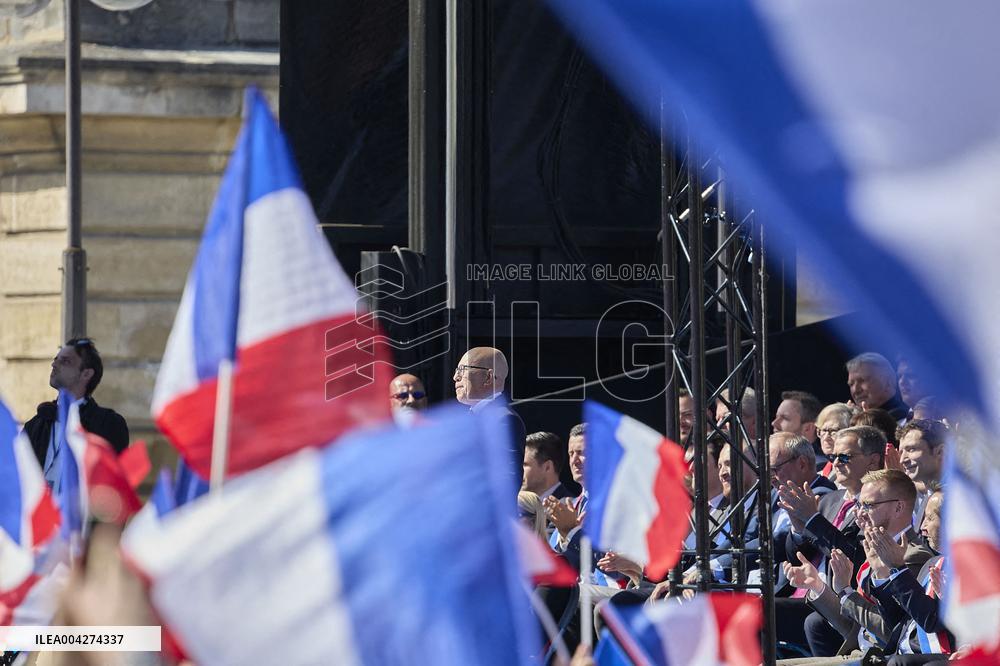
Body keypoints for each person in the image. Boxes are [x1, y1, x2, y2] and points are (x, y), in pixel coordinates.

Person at [23, 338, 129, 492]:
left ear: (86, 374)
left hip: (80, 514)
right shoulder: (36, 424)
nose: (54, 365)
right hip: (41, 514)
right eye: (56, 359)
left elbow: (114, 490)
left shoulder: (108, 424)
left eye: (65, 361)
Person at [453, 346, 526, 484]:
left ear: (488, 377)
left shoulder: (504, 419)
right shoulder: (467, 419)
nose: (455, 377)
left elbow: (508, 481)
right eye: (457, 371)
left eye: (462, 370)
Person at [895, 420, 947, 528]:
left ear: (940, 452)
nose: (902, 460)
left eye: (911, 449)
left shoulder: (958, 498)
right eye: (901, 453)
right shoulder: (928, 494)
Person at [846, 353, 908, 422]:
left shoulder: (906, 418)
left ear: (888, 382)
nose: (855, 390)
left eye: (862, 380)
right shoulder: (852, 420)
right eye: (851, 384)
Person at [772, 391, 824, 470]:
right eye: (777, 417)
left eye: (785, 418)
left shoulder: (820, 468)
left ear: (808, 428)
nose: (774, 423)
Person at [522, 431, 573, 501]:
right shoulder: (519, 507)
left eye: (524, 465)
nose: (517, 471)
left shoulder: (571, 509)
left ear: (547, 467)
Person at [815, 403, 854, 480]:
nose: (826, 438)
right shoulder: (819, 474)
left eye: (833, 431)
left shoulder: (852, 471)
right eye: (823, 430)